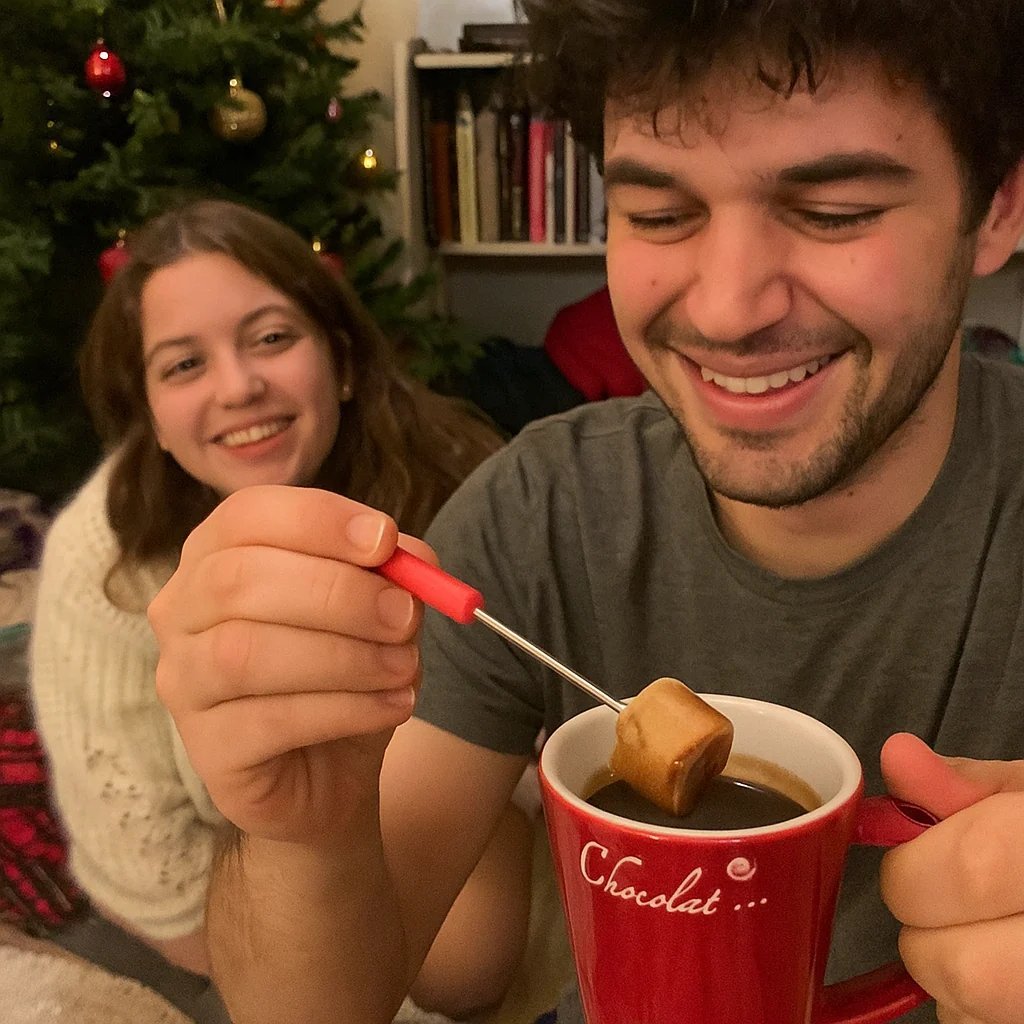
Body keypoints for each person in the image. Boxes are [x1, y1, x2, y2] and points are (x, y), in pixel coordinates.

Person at [149, 3, 1024, 1023]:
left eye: (832, 210)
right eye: (657, 215)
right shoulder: (542, 509)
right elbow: (313, 1009)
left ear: (997, 205)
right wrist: (301, 833)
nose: (726, 308)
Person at [29, 199, 535, 1024]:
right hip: (225, 944)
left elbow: (469, 956)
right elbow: (145, 864)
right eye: (183, 366)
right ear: (150, 414)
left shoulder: (468, 490)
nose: (240, 387)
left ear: (339, 359)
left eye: (271, 338)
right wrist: (311, 955)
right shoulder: (110, 556)